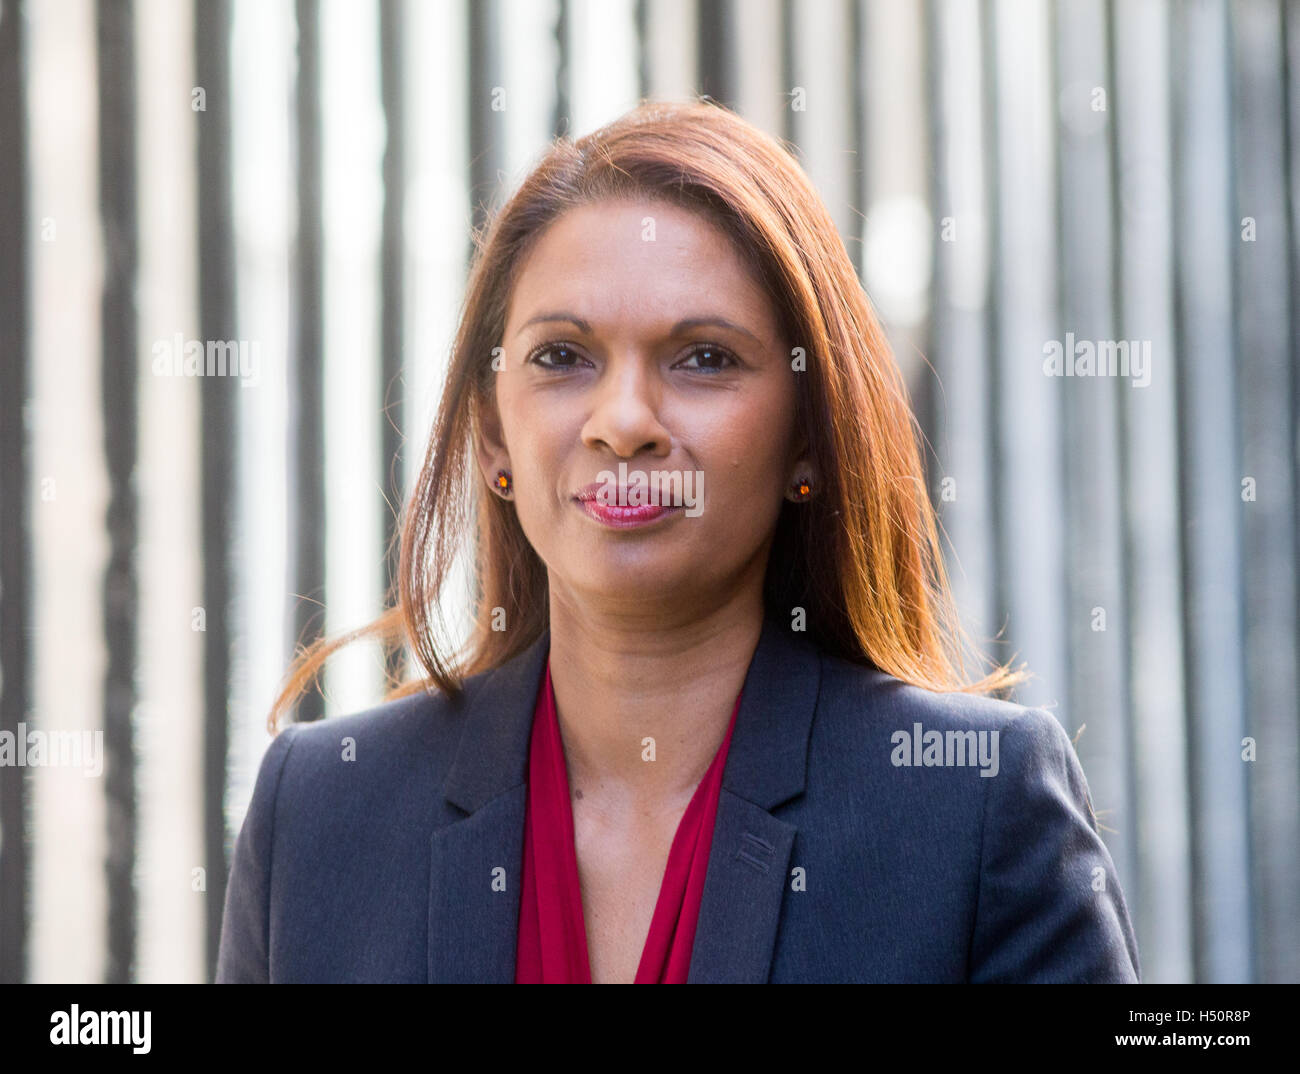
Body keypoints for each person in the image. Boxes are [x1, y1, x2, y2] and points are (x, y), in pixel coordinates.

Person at [215, 98, 1139, 984]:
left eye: (704, 358)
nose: (624, 422)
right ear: (493, 433)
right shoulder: (322, 816)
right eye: (562, 357)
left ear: (808, 436)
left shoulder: (973, 808)